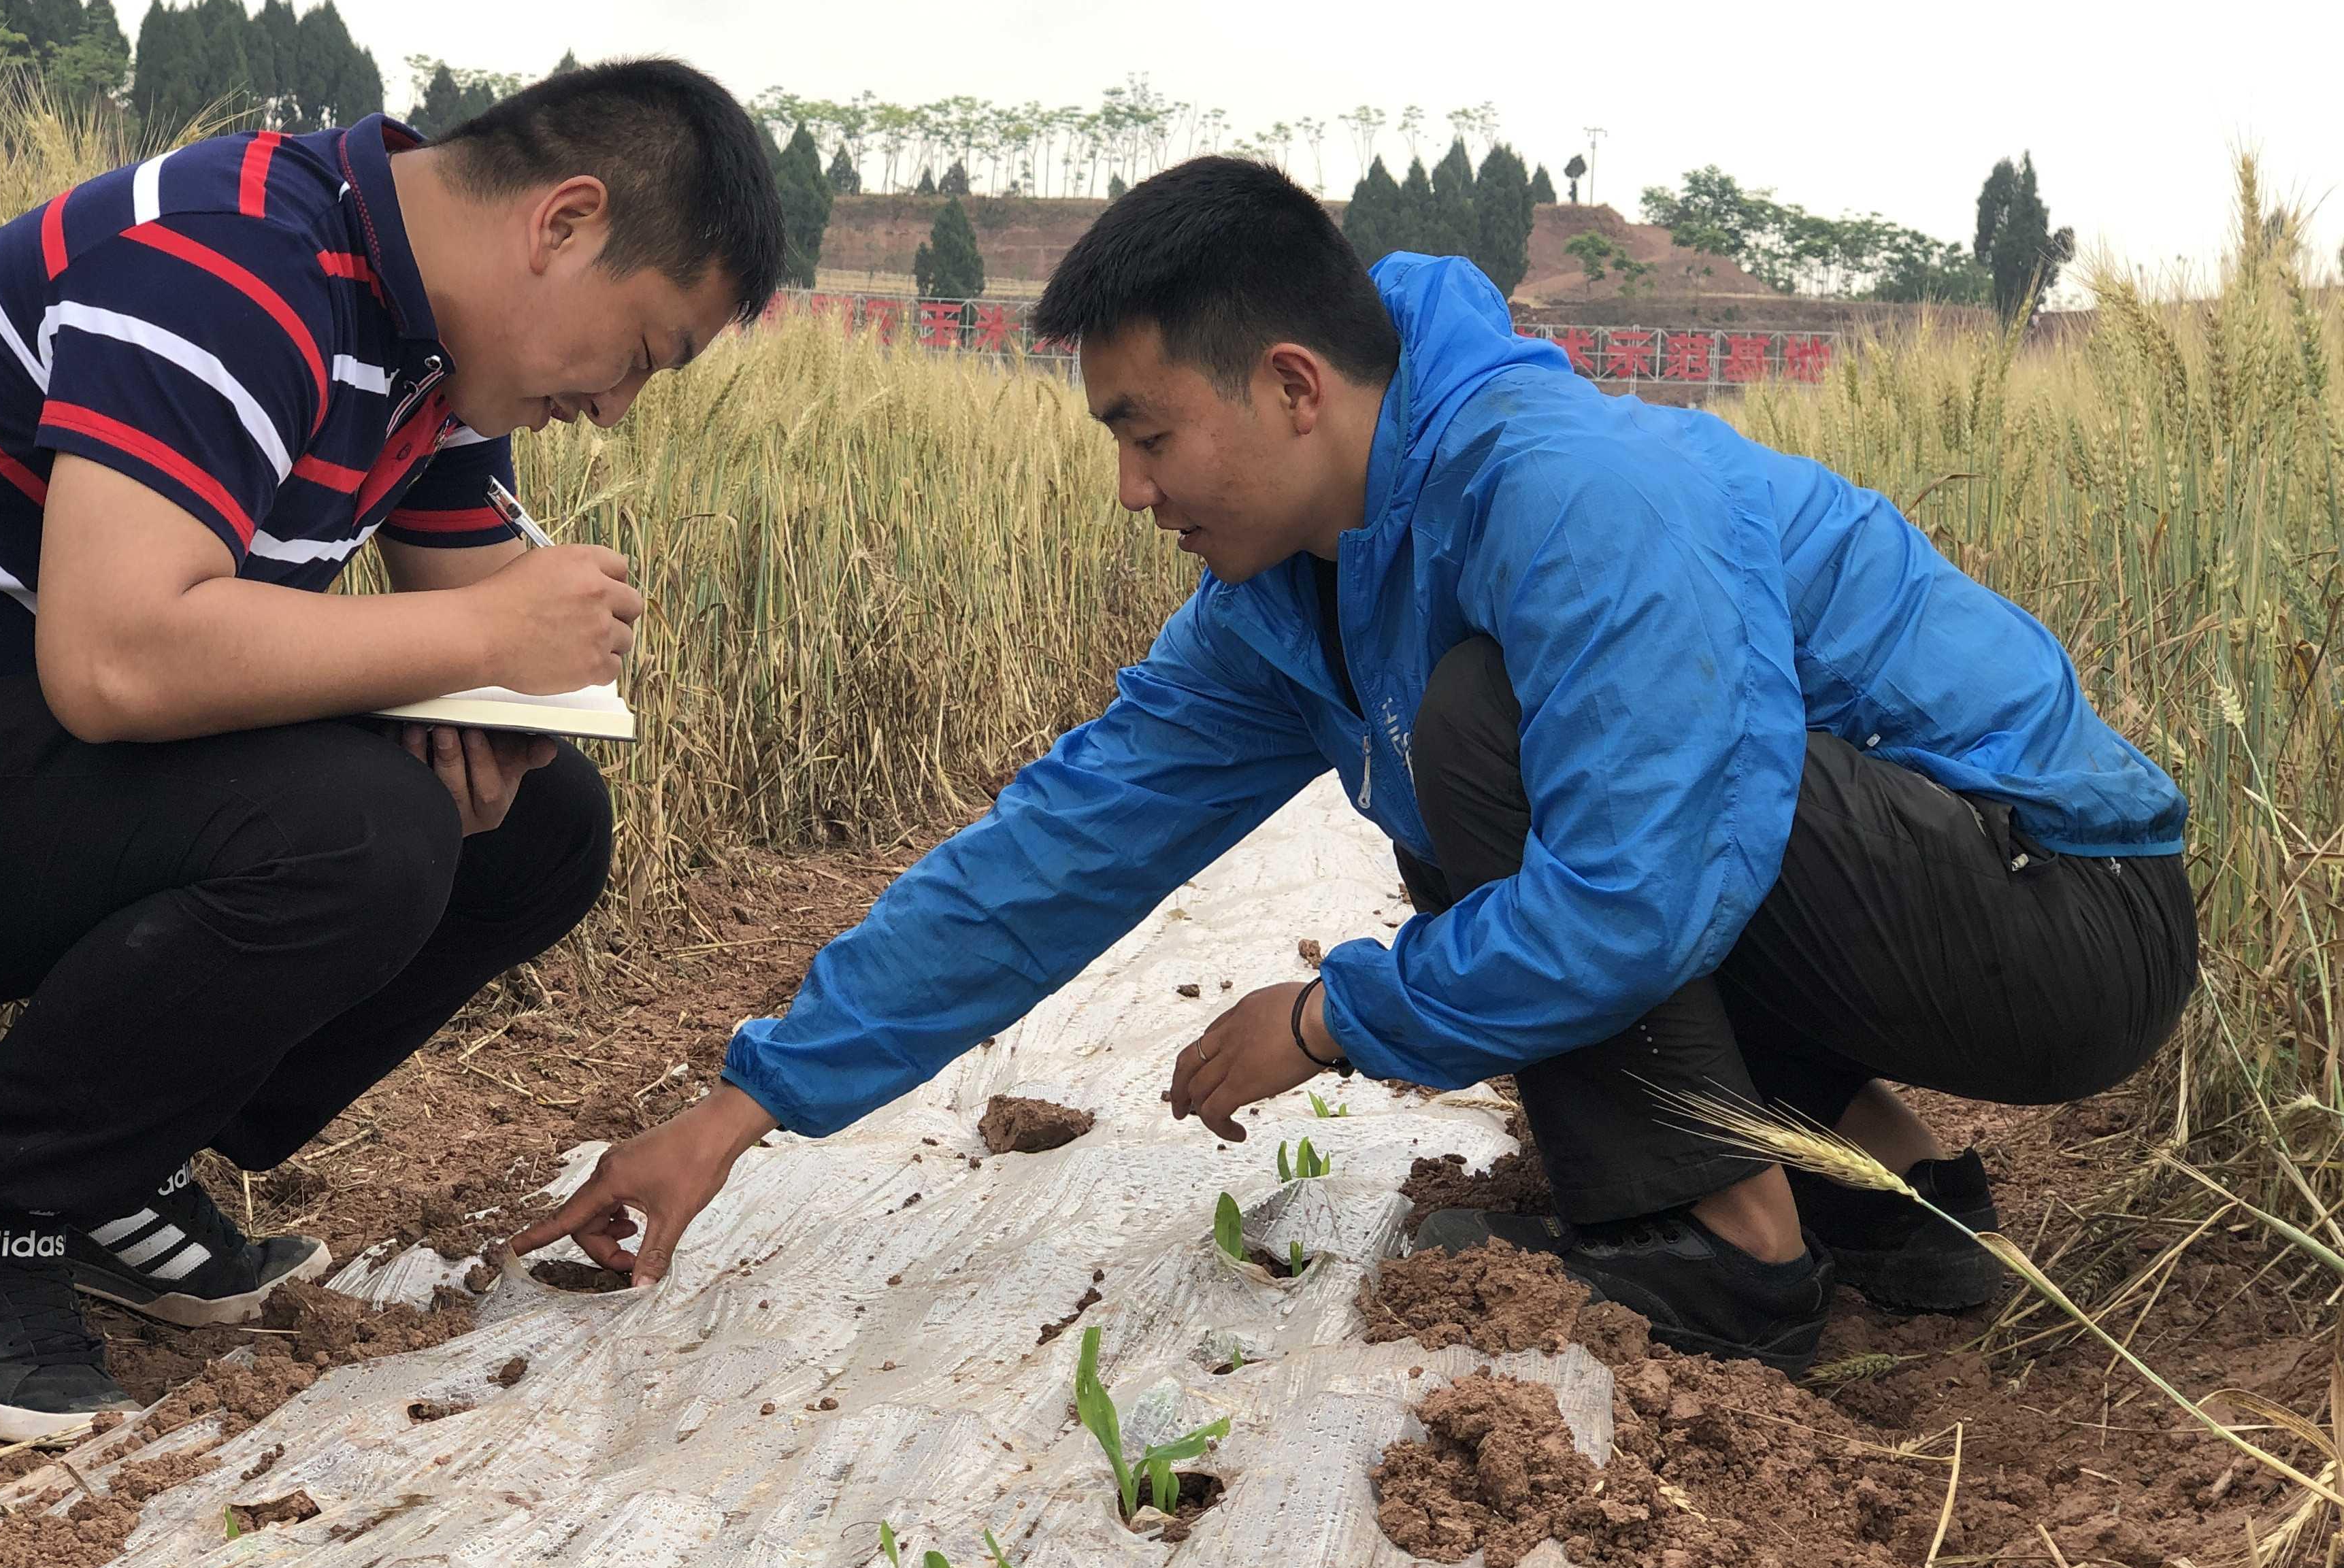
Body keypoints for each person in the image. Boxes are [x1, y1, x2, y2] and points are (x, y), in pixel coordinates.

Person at [515, 156, 2194, 1380]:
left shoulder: (1570, 490)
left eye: (1146, 433)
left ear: (1295, 387)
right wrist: (744, 1108)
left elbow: (1644, 889)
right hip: (1910, 903)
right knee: (1482, 754)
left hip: (2062, 918)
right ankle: (1898, 1206)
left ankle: (1731, 1243)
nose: (1133, 490)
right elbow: (1057, 848)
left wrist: (1332, 1018)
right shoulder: (1287, 600)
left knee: (1477, 734)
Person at [0, 61, 783, 1439]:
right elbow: (119, 658)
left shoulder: (426, 352)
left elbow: (473, 616)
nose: (616, 410)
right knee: (360, 827)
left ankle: (112, 1164)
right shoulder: (237, 266)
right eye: (644, 351)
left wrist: (497, 710)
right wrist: (482, 642)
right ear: (562, 224)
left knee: (541, 830)